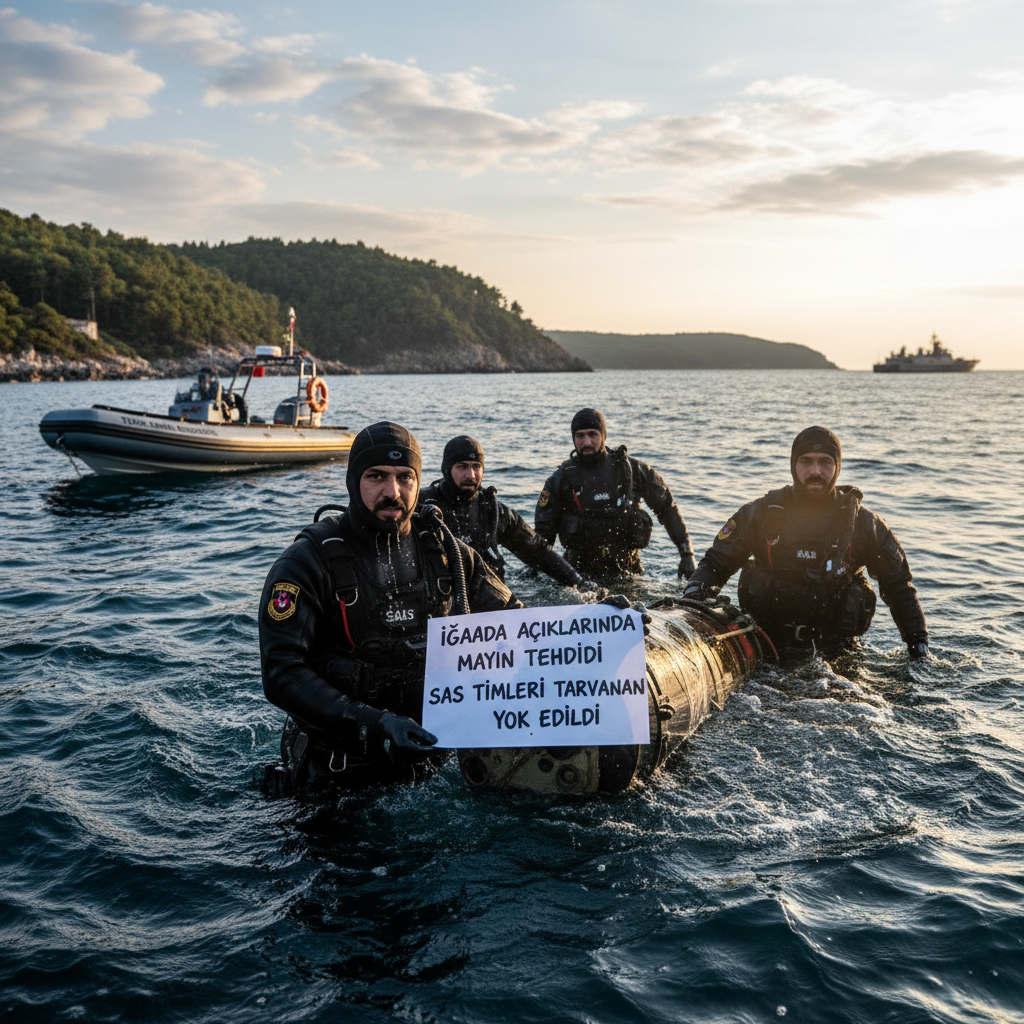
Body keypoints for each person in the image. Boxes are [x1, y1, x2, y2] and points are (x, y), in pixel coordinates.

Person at [259, 421, 522, 794]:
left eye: (405, 477)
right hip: (339, 768)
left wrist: (596, 624)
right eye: (377, 476)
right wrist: (374, 724)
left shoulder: (449, 554)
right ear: (354, 481)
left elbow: (522, 626)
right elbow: (281, 673)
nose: (392, 491)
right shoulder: (308, 561)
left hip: (432, 754)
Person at [683, 426, 929, 658]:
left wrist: (918, 642)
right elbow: (716, 563)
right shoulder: (761, 513)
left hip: (836, 654)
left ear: (838, 466)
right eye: (806, 461)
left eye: (825, 462)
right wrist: (692, 600)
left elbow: (899, 588)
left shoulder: (863, 524)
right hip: (766, 646)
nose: (815, 471)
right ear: (793, 464)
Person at [534, 408, 697, 579]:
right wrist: (537, 569)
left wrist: (687, 555)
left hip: (630, 573)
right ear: (573, 439)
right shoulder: (560, 479)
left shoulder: (632, 471)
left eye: (592, 434)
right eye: (580, 436)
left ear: (604, 435)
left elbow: (667, 508)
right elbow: (543, 534)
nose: (586, 442)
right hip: (579, 577)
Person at [419, 435, 596, 591]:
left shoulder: (493, 511)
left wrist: (579, 583)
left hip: (485, 596)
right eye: (462, 467)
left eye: (476, 467)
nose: (471, 475)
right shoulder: (421, 505)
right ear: (446, 469)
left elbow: (538, 551)